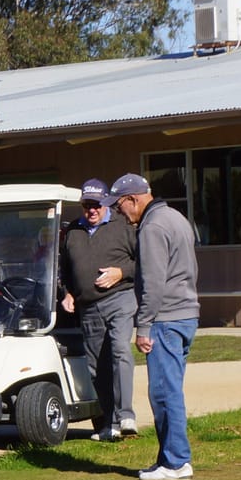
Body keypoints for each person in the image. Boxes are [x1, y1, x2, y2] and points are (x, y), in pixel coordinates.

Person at [110, 173, 199, 480]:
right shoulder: (176, 217)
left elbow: (153, 282)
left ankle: (176, 463)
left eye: (120, 206)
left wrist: (143, 325)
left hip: (166, 319)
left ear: (132, 199)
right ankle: (168, 460)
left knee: (164, 392)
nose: (120, 213)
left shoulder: (152, 227)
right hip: (186, 315)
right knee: (169, 389)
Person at [59, 179, 140, 441]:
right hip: (88, 306)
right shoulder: (73, 231)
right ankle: (110, 424)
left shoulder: (123, 225)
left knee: (120, 351)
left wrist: (121, 272)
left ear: (106, 203)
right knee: (96, 367)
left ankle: (126, 416)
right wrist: (68, 292)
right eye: (86, 205)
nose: (91, 210)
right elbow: (65, 270)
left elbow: (144, 262)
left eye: (96, 205)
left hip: (120, 298)